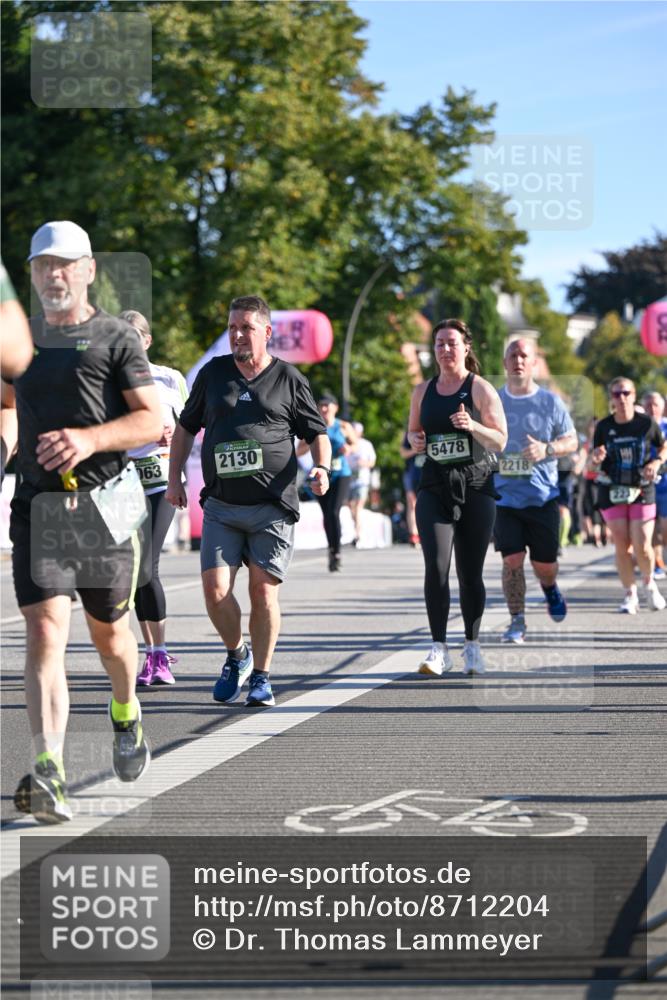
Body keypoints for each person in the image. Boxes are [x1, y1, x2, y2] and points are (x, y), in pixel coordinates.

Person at [6, 221, 162, 823]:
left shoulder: (117, 337)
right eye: (43, 265)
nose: (54, 275)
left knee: (111, 637)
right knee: (45, 632)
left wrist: (88, 439)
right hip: (39, 507)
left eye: (66, 264)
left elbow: (150, 422)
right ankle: (50, 771)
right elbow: (6, 411)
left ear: (89, 270)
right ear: (32, 273)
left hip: (105, 507)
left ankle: (126, 709)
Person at [166, 294, 331, 708]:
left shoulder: (289, 379)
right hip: (221, 504)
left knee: (263, 593)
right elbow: (185, 429)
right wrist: (175, 479)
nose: (238, 334)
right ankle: (237, 655)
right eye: (233, 327)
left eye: (247, 327)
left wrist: (322, 468)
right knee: (215, 590)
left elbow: (317, 433)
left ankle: (261, 676)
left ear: (267, 333)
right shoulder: (213, 374)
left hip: (273, 506)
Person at [408, 318, 507, 676]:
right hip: (435, 484)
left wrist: (473, 425)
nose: (445, 350)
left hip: (476, 486)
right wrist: (416, 441)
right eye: (439, 344)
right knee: (436, 566)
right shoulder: (422, 391)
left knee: (470, 572)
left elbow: (500, 440)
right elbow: (414, 434)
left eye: (452, 343)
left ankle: (472, 645)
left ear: (466, 348)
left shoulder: (479, 388)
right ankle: (438, 648)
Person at [494, 338, 578, 644]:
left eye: (523, 355)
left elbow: (572, 441)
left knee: (545, 566)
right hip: (503, 497)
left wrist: (547, 448)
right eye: (512, 355)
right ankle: (517, 621)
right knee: (511, 560)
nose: (517, 360)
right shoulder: (492, 402)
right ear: (505, 363)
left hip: (542, 496)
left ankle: (549, 588)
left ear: (533, 364)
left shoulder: (550, 402)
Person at [121, 310, 188, 686]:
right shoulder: (107, 382)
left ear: (146, 341)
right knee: (134, 571)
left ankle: (159, 655)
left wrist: (172, 433)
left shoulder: (170, 378)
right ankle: (151, 654)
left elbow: (194, 424)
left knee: (147, 565)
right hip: (123, 483)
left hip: (162, 479)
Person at [589, 377, 666, 613]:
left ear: (634, 395)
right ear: (612, 399)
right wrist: (596, 458)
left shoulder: (646, 423)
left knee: (642, 544)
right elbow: (595, 460)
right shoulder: (604, 426)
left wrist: (657, 461)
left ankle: (649, 583)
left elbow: (663, 447)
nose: (621, 398)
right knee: (622, 545)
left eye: (626, 393)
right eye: (616, 394)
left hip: (642, 486)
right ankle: (630, 594)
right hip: (611, 488)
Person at [298, 392, 356, 571]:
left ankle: (336, 551)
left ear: (335, 408)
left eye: (327, 405)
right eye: (320, 405)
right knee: (327, 514)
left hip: (341, 473)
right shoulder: (312, 426)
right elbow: (298, 451)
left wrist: (348, 447)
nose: (323, 409)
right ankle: (332, 549)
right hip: (320, 475)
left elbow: (355, 445)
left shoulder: (344, 426)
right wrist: (311, 442)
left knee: (334, 511)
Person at [641, 390, 667, 580]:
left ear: (663, 407)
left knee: (664, 527)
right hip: (646, 485)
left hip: (666, 485)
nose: (652, 408)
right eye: (648, 405)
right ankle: (657, 563)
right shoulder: (638, 428)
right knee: (652, 527)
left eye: (655, 405)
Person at [347, 421, 376, 546]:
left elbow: (372, 462)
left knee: (358, 507)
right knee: (351, 508)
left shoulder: (366, 444)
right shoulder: (347, 445)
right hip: (349, 480)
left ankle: (357, 535)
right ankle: (356, 528)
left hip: (362, 480)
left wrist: (363, 463)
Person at [399, 431, 425, 546]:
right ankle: (414, 534)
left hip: (429, 472)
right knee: (412, 503)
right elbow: (403, 453)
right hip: (412, 473)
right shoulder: (411, 433)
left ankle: (425, 533)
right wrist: (416, 449)